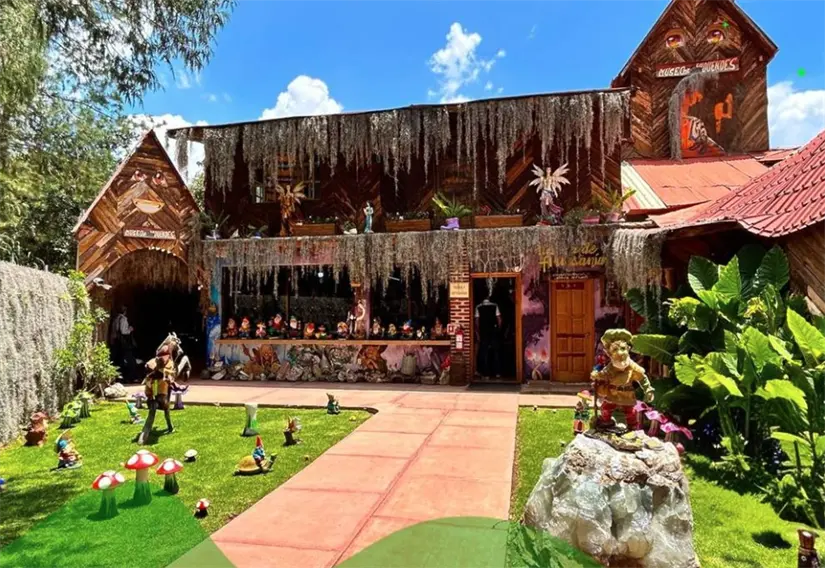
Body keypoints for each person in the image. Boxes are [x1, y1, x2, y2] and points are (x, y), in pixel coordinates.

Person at [474, 294, 502, 378]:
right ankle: (497, 372)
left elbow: (477, 321)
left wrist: (478, 332)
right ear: (489, 297)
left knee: (484, 352)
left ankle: (486, 373)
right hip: (493, 331)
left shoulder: (478, 307)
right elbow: (499, 319)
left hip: (483, 332)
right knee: (496, 352)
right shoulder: (495, 305)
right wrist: (498, 329)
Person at [111, 306, 137, 382]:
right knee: (130, 360)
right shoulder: (123, 319)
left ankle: (120, 377)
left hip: (116, 342)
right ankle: (131, 377)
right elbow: (123, 331)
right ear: (125, 311)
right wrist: (130, 329)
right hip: (123, 343)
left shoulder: (115, 319)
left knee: (119, 360)